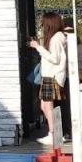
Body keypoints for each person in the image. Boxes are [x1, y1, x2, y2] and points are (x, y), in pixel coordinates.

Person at [25, 11, 71, 147]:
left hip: (52, 76)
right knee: (45, 106)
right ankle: (55, 133)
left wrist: (37, 47)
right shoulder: (59, 36)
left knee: (47, 106)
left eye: (44, 23)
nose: (43, 26)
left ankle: (54, 134)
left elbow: (54, 58)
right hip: (50, 75)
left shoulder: (56, 38)